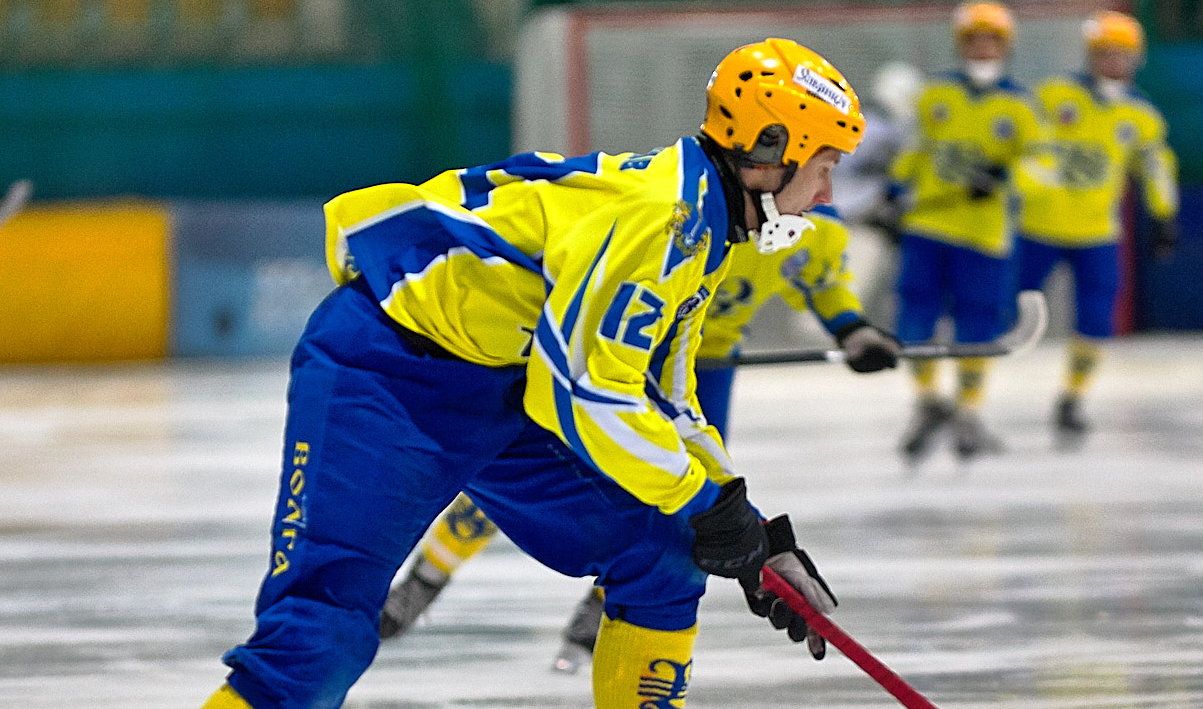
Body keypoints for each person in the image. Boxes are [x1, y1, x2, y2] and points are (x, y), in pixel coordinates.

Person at [58, 38, 865, 709]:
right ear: (770, 150)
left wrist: (745, 525)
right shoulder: (656, 217)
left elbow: (663, 393)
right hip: (386, 374)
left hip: (502, 380)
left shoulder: (702, 223)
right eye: (825, 165)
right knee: (322, 628)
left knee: (662, 551)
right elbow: (590, 400)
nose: (830, 193)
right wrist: (713, 508)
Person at [378, 203, 899, 673]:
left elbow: (823, 283)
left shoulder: (814, 231)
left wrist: (854, 331)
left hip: (702, 369)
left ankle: (608, 605)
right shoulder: (693, 221)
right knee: (527, 476)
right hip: (618, 356)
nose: (824, 188)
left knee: (676, 490)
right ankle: (426, 581)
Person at [881, 0, 1050, 464]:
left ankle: (970, 409)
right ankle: (928, 402)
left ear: (1005, 45)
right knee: (915, 316)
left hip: (984, 234)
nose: (981, 47)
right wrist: (894, 190)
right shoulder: (935, 95)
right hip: (929, 225)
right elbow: (914, 148)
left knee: (976, 324)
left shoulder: (1020, 105)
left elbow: (1041, 165)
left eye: (991, 39)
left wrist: (1002, 177)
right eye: (974, 39)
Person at [1017, 11, 1179, 445]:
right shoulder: (1055, 94)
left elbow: (1155, 166)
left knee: (1095, 319)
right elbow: (1024, 146)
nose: (1114, 61)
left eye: (1122, 54)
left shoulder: (1140, 115)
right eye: (1106, 52)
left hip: (1096, 232)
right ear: (1091, 54)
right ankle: (970, 395)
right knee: (998, 309)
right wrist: (1025, 186)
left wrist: (1164, 215)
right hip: (1040, 225)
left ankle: (1073, 396)